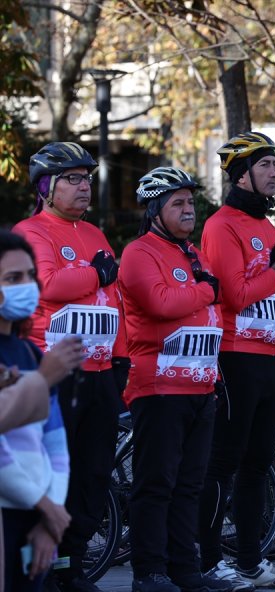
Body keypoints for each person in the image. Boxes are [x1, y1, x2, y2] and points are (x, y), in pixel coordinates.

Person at [13, 142, 123, 592]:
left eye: (87, 179)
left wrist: (121, 354)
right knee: (54, 470)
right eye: (72, 179)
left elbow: (114, 299)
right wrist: (96, 274)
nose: (84, 187)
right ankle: (40, 565)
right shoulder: (32, 230)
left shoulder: (94, 234)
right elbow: (50, 285)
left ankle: (72, 562)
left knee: (94, 473)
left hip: (99, 371)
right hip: (53, 369)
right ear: (46, 187)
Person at [197, 132, 275, 589]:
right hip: (235, 357)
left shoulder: (266, 227)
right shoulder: (222, 226)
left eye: (274, 165)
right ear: (243, 174)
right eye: (267, 166)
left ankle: (248, 561)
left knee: (260, 464)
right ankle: (206, 562)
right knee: (224, 463)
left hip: (268, 361)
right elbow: (236, 295)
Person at [119, 167, 231, 592]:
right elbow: (162, 303)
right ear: (154, 212)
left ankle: (185, 569)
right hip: (159, 385)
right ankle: (149, 571)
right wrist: (206, 290)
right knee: (156, 484)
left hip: (200, 386)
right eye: (177, 204)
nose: (189, 211)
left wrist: (204, 291)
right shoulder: (139, 252)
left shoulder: (190, 252)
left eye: (191, 202)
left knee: (190, 486)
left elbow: (205, 306)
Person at [0, 230, 84, 592]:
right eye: (12, 279)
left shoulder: (29, 353)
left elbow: (55, 442)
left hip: (35, 514)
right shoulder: (41, 364)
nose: (27, 286)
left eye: (30, 276)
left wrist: (49, 519)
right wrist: (45, 506)